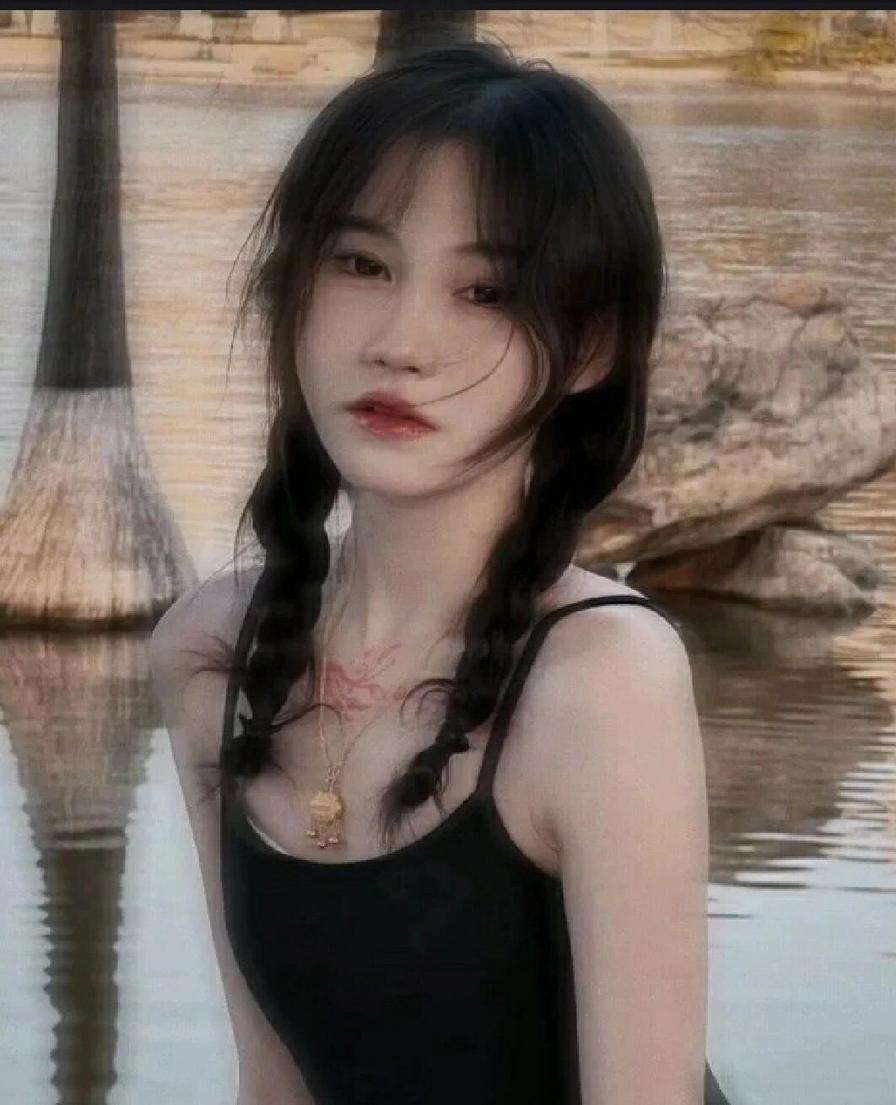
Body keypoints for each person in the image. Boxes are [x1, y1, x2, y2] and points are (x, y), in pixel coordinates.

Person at [149, 39, 728, 1105]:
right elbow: (273, 1082)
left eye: (486, 290)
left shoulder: (602, 679)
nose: (402, 341)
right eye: (361, 264)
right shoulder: (207, 653)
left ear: (592, 348)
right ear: (291, 286)